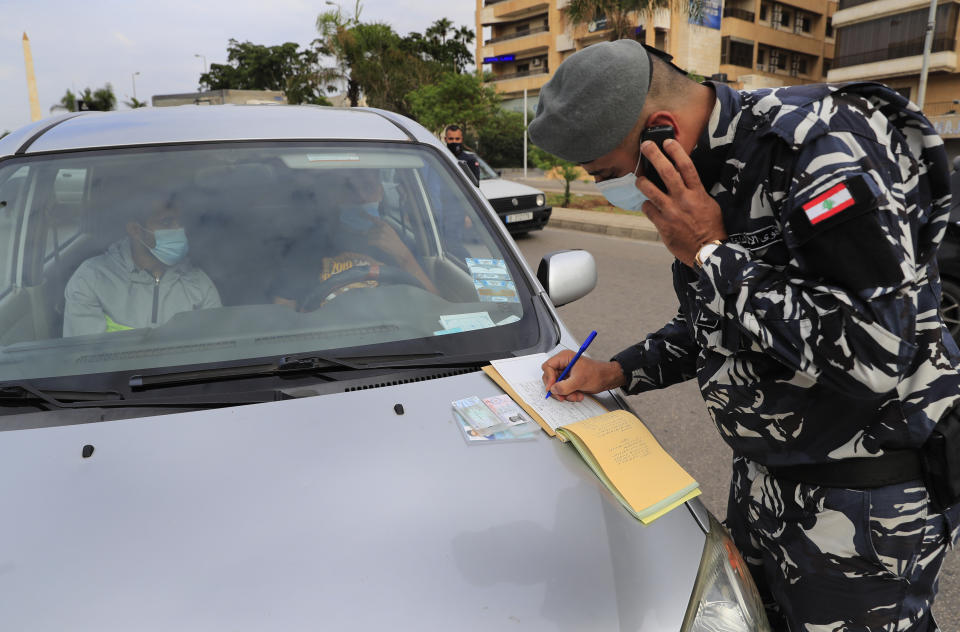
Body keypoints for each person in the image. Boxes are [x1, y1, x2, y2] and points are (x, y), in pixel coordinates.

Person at [528, 39, 960, 630]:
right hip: (765, 486)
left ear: (660, 130)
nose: (612, 190)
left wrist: (711, 252)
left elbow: (874, 351)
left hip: (860, 505)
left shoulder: (820, 146)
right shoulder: (700, 173)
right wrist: (617, 371)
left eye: (608, 174)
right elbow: (723, 323)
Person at [272, 168, 438, 310]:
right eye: (349, 189)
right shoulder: (307, 246)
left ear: (380, 192)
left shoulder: (398, 242)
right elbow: (282, 309)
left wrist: (404, 256)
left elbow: (435, 305)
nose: (361, 198)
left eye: (368, 187)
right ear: (334, 197)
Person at [63, 193, 221, 337]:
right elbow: (85, 359)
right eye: (166, 222)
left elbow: (215, 351)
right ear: (135, 230)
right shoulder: (91, 280)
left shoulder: (199, 284)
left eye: (181, 222)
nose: (179, 230)